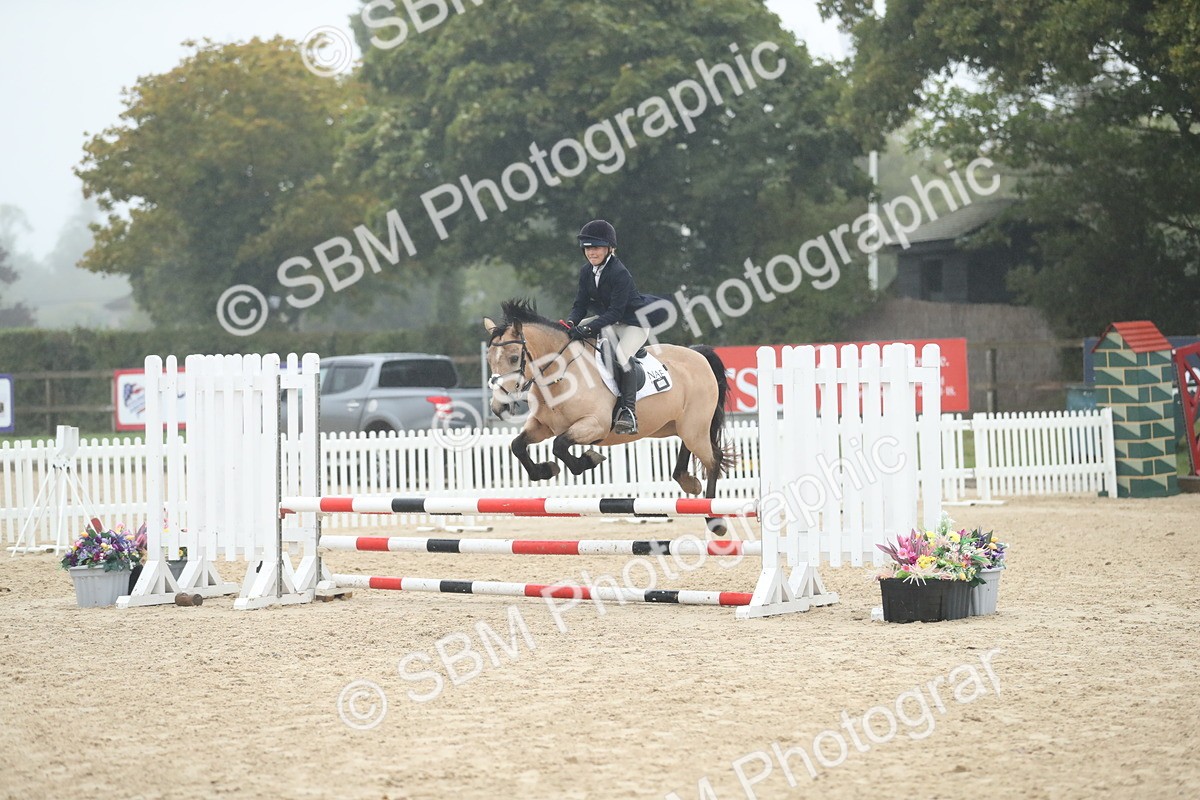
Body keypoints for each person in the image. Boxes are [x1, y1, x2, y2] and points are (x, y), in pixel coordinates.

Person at [565, 219, 661, 435]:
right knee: (566, 335)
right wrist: (571, 323)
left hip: (632, 324)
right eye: (587, 248)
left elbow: (616, 313)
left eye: (596, 247)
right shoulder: (586, 272)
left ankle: (629, 412)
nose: (591, 252)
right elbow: (579, 305)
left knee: (620, 356)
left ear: (609, 248)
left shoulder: (619, 273)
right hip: (609, 321)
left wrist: (588, 330)